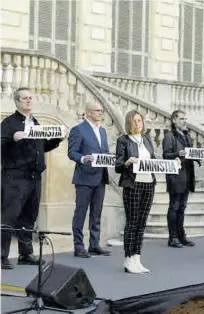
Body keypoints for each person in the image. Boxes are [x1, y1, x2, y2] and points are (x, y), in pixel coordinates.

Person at [1, 87, 67, 270]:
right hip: (15, 176)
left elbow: (42, 147)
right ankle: (1, 255)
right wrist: (13, 138)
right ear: (17, 102)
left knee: (29, 216)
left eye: (31, 98)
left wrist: (57, 139)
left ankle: (25, 253)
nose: (29, 101)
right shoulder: (9, 123)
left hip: (34, 177)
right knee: (9, 216)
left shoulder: (36, 123)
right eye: (24, 99)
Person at [68, 102, 111, 258]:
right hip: (84, 177)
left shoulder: (103, 131)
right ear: (88, 112)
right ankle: (79, 246)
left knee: (96, 213)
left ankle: (94, 244)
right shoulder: (78, 130)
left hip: (100, 178)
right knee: (80, 213)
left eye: (101, 110)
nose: (100, 113)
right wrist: (82, 158)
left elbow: (104, 152)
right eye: (97, 111)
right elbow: (72, 152)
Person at [115, 110, 156, 274]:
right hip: (133, 184)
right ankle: (128, 258)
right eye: (135, 121)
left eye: (140, 120)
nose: (138, 123)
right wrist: (126, 162)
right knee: (132, 222)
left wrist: (171, 163)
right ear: (129, 123)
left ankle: (137, 258)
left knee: (142, 223)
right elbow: (117, 166)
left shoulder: (146, 139)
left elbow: (153, 160)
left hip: (148, 183)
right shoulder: (123, 141)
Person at [162, 109, 196, 248]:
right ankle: (173, 237)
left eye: (185, 118)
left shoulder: (187, 136)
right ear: (174, 120)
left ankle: (181, 235)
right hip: (175, 176)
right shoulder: (169, 136)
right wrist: (178, 153)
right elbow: (165, 155)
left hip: (187, 175)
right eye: (181, 118)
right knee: (174, 207)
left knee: (182, 207)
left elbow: (191, 154)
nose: (184, 121)